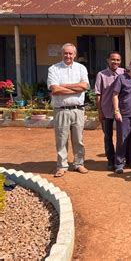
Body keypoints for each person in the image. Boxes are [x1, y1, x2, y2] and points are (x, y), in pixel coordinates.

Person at [47, 43, 89, 178]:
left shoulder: (81, 68)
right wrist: (74, 89)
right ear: (62, 54)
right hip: (61, 110)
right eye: (65, 53)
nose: (68, 56)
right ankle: (61, 166)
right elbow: (55, 89)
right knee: (61, 139)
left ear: (75, 55)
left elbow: (84, 86)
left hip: (78, 110)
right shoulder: (54, 69)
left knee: (79, 139)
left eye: (71, 53)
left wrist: (63, 86)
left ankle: (79, 163)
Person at [95, 51, 125, 171]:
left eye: (118, 60)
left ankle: (121, 159)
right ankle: (111, 160)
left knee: (122, 136)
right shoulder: (101, 75)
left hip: (121, 111)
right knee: (108, 136)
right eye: (113, 59)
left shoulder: (124, 72)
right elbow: (98, 94)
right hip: (106, 110)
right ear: (108, 60)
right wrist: (100, 111)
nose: (115, 62)